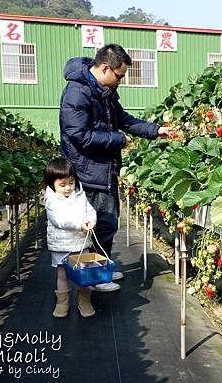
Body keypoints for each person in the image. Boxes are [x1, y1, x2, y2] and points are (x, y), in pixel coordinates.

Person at [59, 44, 172, 292]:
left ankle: (102, 270)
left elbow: (124, 120)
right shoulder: (77, 92)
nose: (120, 81)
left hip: (104, 169)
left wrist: (155, 130)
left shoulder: (105, 92)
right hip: (87, 172)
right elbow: (80, 136)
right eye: (119, 75)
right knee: (94, 228)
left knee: (107, 224)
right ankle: (94, 279)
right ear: (105, 68)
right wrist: (119, 140)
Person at [44, 158, 98, 318]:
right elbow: (59, 220)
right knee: (62, 274)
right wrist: (79, 225)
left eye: (71, 183)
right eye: (62, 185)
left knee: (84, 274)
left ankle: (85, 301)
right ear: (52, 184)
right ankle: (62, 303)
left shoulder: (80, 195)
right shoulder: (51, 201)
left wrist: (91, 221)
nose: (68, 188)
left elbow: (90, 210)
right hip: (61, 245)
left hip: (81, 243)